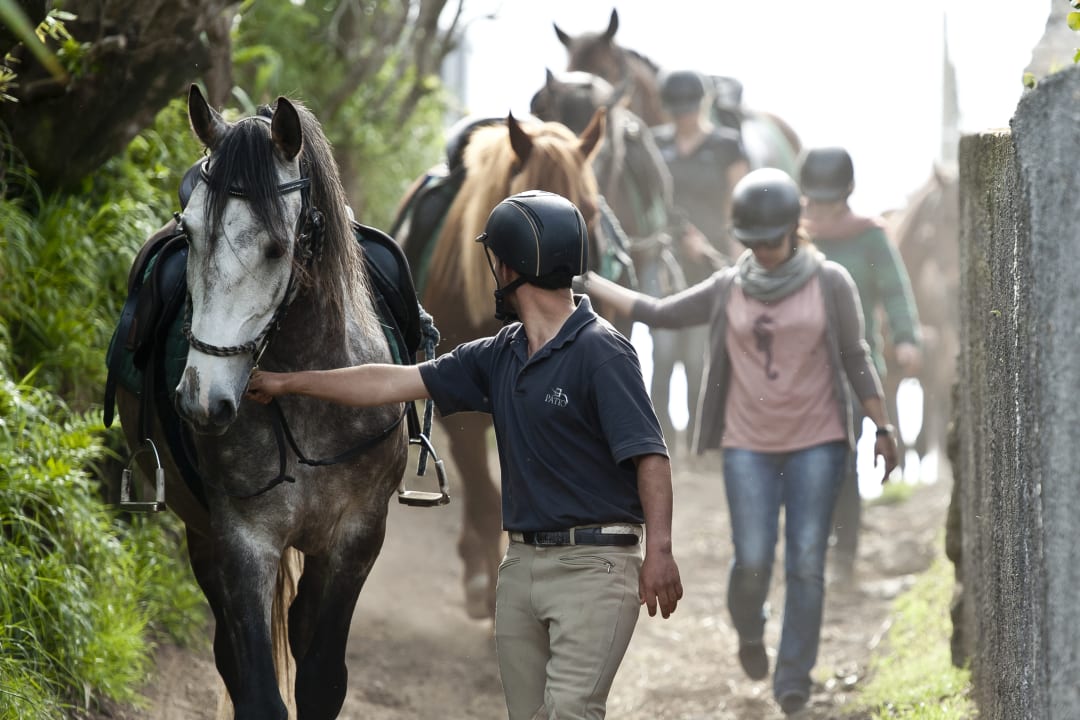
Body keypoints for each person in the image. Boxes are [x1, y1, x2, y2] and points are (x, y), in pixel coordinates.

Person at [247, 190, 683, 720]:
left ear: (510, 266)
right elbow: (392, 381)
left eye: (495, 260)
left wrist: (658, 550)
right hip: (521, 567)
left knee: (571, 711)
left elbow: (650, 456)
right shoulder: (499, 354)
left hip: (597, 567)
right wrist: (288, 382)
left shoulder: (603, 352)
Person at [581, 168, 899, 716]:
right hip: (748, 444)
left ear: (793, 231)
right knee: (752, 558)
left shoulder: (831, 283)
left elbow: (856, 357)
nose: (765, 252)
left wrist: (883, 426)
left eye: (772, 241)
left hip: (818, 442)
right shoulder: (730, 285)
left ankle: (793, 680)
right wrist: (584, 280)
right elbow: (660, 313)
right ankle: (750, 630)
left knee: (804, 560)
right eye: (753, 243)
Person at [798, 146, 922, 589]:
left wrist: (906, 337)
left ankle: (844, 555)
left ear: (846, 195)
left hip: (851, 368)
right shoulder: (792, 234)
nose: (823, 210)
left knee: (844, 460)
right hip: (795, 371)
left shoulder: (869, 237)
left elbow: (894, 290)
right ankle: (806, 548)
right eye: (816, 200)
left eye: (829, 200)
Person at [650, 69, 749, 453]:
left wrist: (726, 252)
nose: (684, 117)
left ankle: (697, 440)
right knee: (662, 353)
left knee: (696, 357)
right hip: (665, 261)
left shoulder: (726, 145)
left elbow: (737, 201)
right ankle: (661, 442)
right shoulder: (657, 144)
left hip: (709, 262)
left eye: (688, 109)